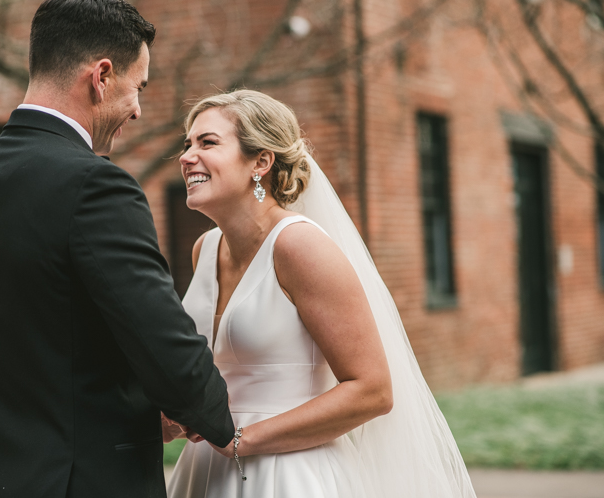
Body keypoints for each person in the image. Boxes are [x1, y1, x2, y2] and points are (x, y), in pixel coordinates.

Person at [0, 0, 233, 498]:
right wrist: (216, 419)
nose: (137, 109)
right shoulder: (96, 185)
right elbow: (161, 341)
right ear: (100, 77)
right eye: (137, 86)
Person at [166, 90, 476, 498]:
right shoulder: (205, 248)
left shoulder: (299, 247)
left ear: (260, 161)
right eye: (187, 144)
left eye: (207, 142)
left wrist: (243, 440)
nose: (187, 157)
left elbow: (373, 391)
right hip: (207, 470)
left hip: (288, 473)